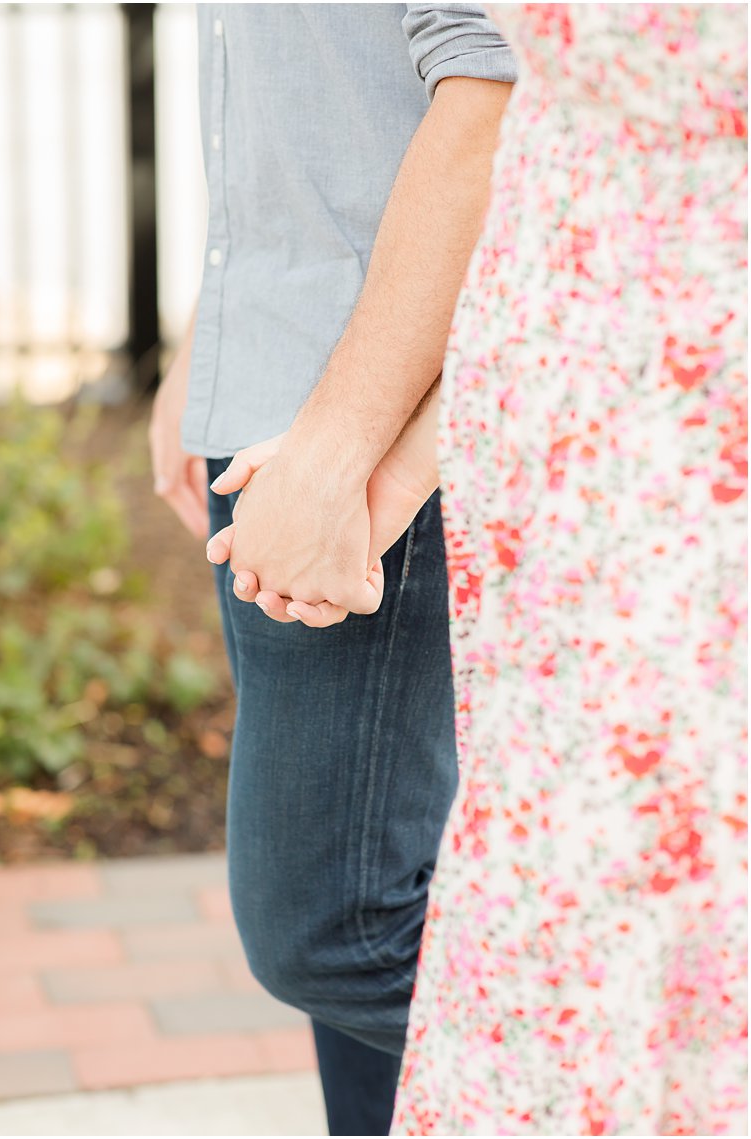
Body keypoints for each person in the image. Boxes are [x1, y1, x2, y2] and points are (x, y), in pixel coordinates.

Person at [220, 5, 748, 1132]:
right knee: (536, 899)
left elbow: (495, 104)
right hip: (533, 459)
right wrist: (386, 465)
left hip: (674, 482)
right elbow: (563, 214)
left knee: (391, 930)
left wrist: (345, 447)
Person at [149, 6, 515, 1133]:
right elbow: (298, 129)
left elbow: (492, 82)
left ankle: (652, 1085)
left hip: (360, 417)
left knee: (335, 926)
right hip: (272, 399)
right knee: (387, 880)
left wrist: (340, 447)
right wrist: (197, 354)